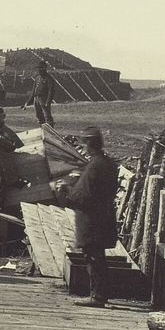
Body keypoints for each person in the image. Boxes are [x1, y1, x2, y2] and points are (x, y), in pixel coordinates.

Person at [56, 127, 118, 307]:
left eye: (83, 144)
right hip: (103, 217)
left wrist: (67, 189)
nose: (82, 148)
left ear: (89, 144)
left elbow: (84, 197)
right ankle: (101, 295)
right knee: (98, 257)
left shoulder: (94, 166)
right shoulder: (108, 164)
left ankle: (97, 297)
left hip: (91, 220)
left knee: (93, 257)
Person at [24, 61, 55, 126]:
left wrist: (47, 102)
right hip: (36, 99)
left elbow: (51, 91)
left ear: (45, 68)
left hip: (44, 99)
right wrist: (28, 102)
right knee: (39, 116)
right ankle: (42, 129)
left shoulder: (49, 78)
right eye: (38, 68)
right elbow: (33, 91)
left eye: (41, 68)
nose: (39, 70)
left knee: (47, 116)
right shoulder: (37, 78)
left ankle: (51, 131)